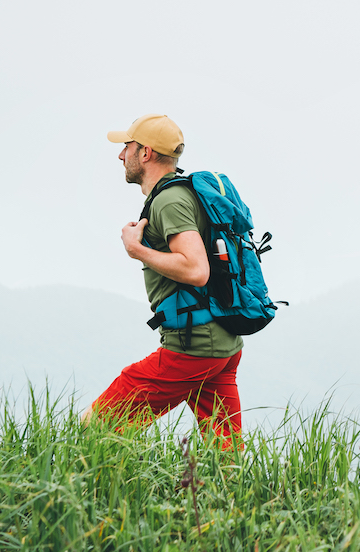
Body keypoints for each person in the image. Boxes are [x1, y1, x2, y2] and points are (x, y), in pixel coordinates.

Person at [82, 114, 244, 445]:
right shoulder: (188, 193)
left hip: (192, 348)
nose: (120, 155)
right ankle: (225, 497)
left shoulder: (169, 200)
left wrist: (136, 249)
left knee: (94, 426)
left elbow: (196, 270)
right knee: (224, 450)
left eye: (126, 146)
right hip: (223, 343)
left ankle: (107, 495)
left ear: (146, 153)